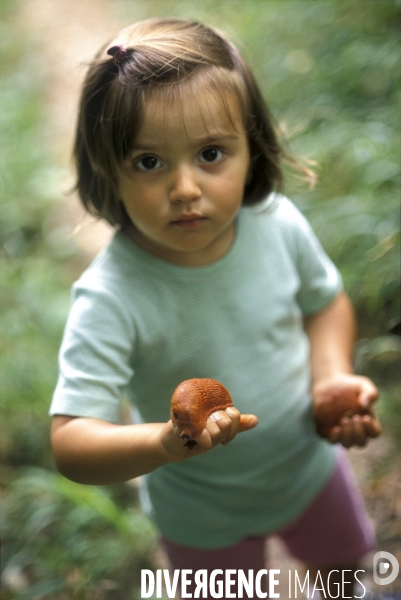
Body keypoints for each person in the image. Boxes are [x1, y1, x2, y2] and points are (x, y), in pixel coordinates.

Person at [50, 17, 381, 598]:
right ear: (107, 165)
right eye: (148, 162)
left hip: (310, 474)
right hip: (201, 521)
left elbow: (325, 302)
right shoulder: (112, 295)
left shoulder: (275, 224)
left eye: (210, 153)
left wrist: (331, 375)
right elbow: (73, 440)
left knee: (351, 577)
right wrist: (162, 443)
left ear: (252, 147)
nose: (184, 188)